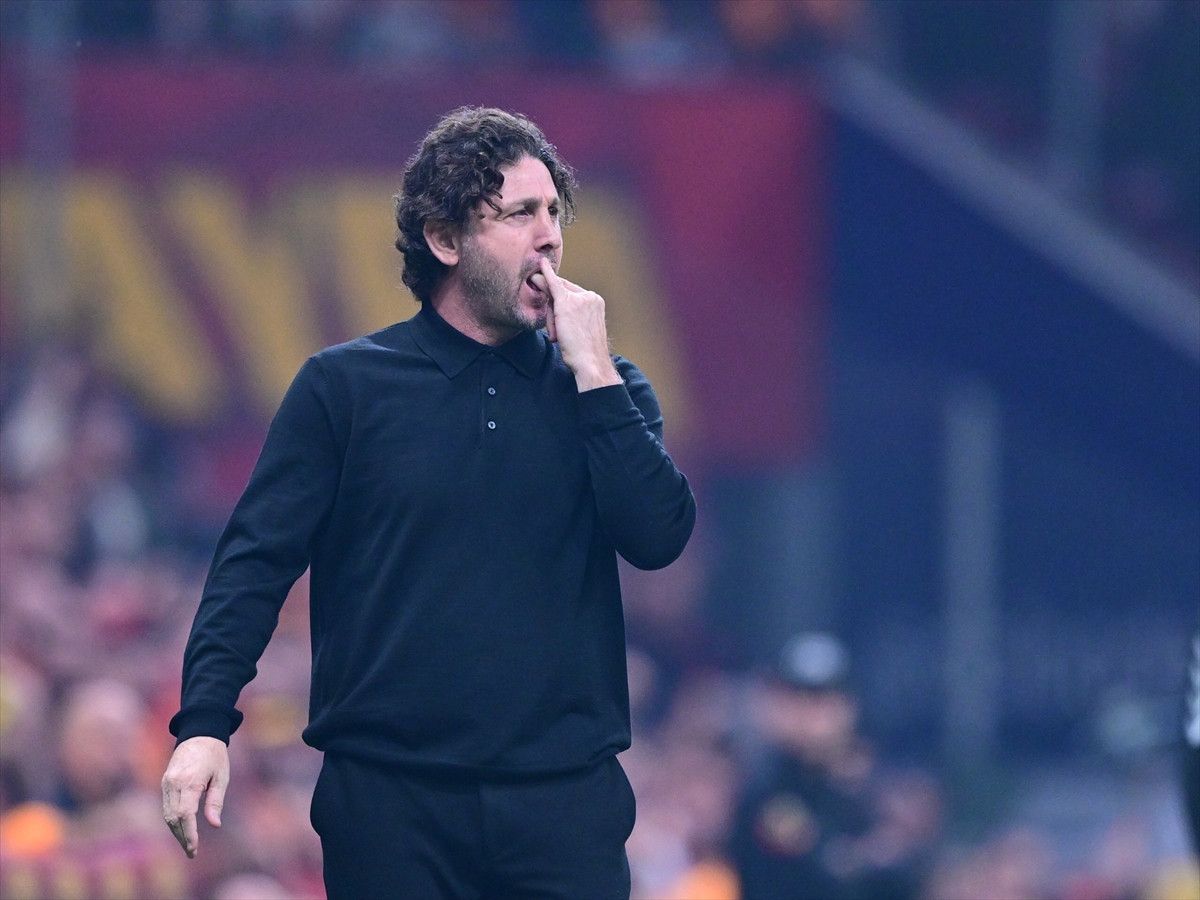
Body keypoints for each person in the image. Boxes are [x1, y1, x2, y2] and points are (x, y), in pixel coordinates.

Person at [160, 106, 696, 899]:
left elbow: (657, 537)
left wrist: (595, 375)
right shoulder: (345, 388)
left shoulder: (604, 392)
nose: (549, 236)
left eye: (555, 212)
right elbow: (254, 563)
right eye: (519, 213)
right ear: (445, 239)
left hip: (562, 803)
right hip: (389, 803)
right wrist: (204, 724)